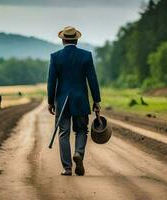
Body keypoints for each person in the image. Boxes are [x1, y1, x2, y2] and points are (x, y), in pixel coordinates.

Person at [47, 26, 101, 176]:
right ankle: (78, 153)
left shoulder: (55, 57)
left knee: (63, 133)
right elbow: (93, 80)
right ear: (77, 40)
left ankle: (67, 168)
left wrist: (50, 102)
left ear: (63, 40)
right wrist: (96, 100)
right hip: (80, 100)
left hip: (62, 100)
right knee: (82, 130)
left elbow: (51, 82)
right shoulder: (86, 56)